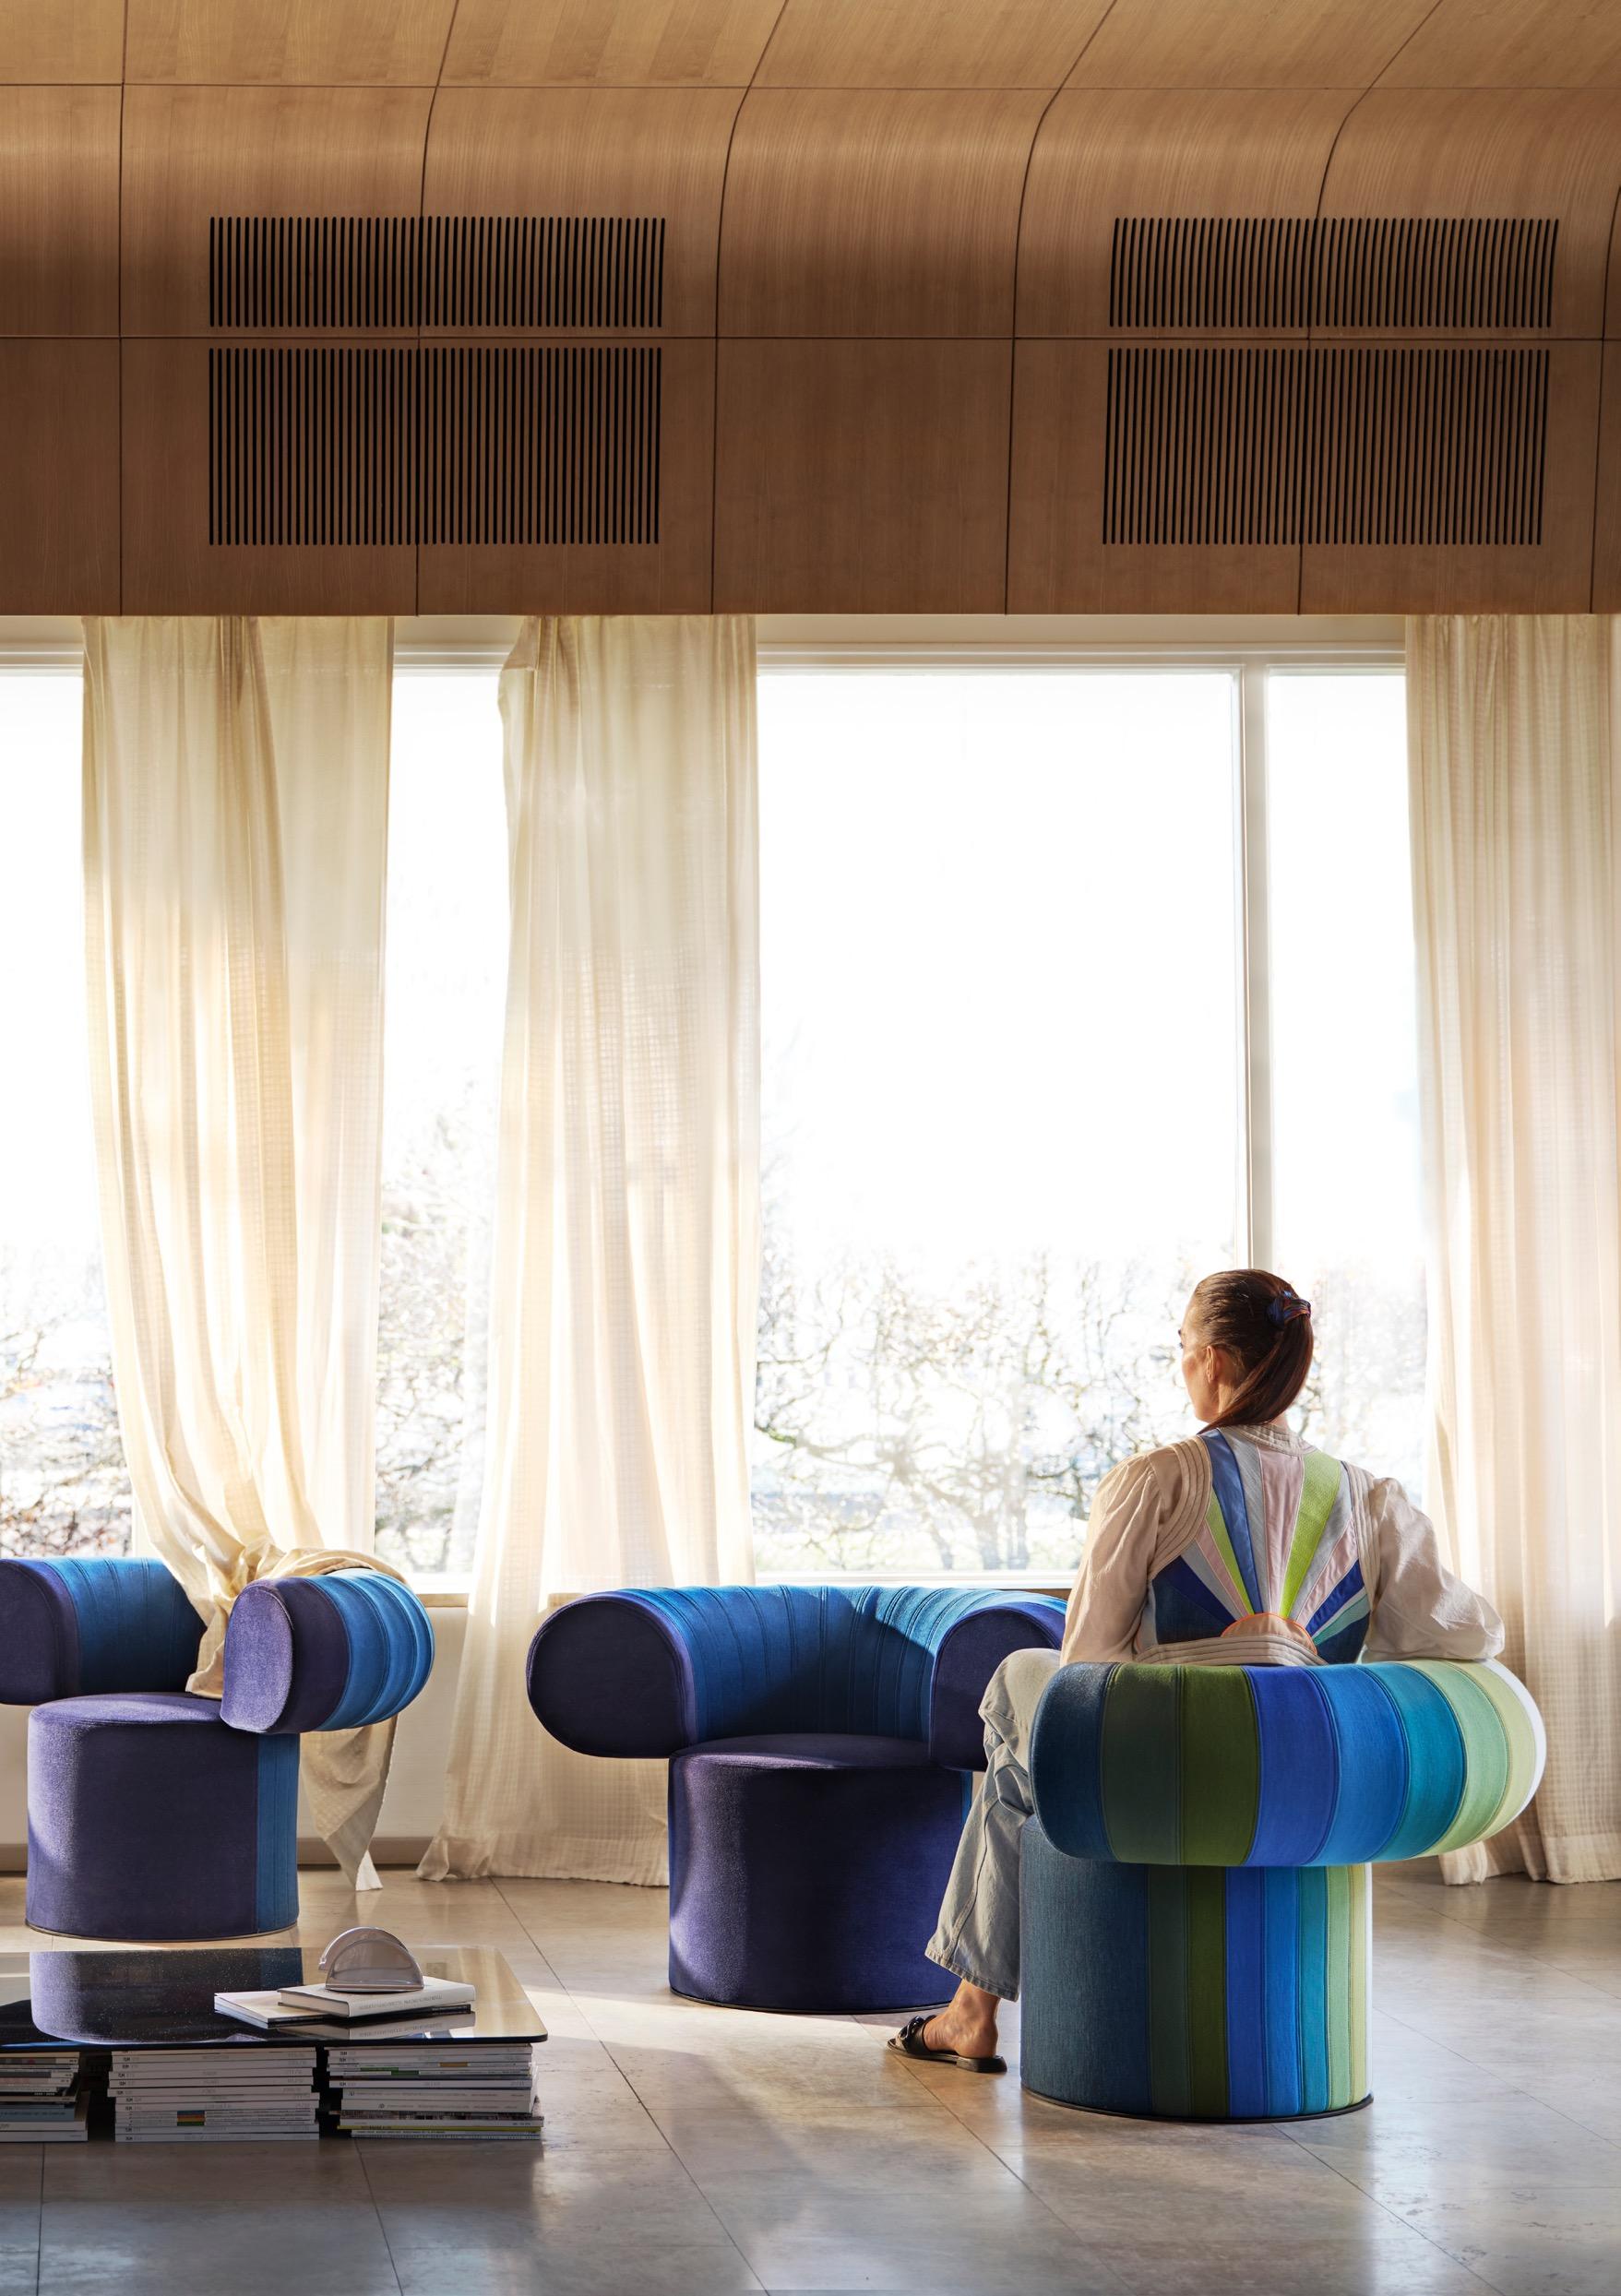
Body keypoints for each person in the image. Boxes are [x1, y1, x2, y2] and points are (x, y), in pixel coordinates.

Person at [888, 1266, 1504, 2076]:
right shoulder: (1371, 1499)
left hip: (1167, 1775)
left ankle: (972, 2009)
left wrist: (1190, 1659)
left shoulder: (1155, 1478)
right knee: (1023, 1725)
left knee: (1016, 1687)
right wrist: (1303, 1659)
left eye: (1180, 1345)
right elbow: (1472, 1632)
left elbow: (1087, 1668)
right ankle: (969, 2010)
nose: (1180, 1362)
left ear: (1210, 1358)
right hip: (1312, 1777)